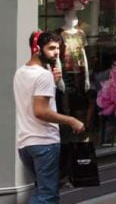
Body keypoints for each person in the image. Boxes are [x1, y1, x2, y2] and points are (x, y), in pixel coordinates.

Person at [14, 31, 85, 204]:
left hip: (25, 144)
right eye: (51, 48)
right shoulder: (43, 75)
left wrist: (52, 84)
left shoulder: (21, 72)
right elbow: (41, 111)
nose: (56, 53)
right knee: (48, 195)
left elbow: (32, 104)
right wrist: (72, 120)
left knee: (41, 190)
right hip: (44, 143)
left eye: (58, 49)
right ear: (36, 49)